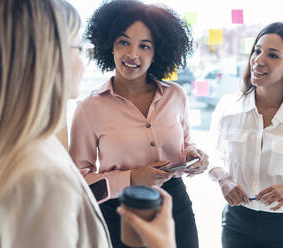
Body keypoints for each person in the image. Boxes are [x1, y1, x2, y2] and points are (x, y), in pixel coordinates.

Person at [0, 0, 176, 247]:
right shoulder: (41, 178)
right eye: (77, 48)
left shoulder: (24, 148)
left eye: (145, 46)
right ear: (48, 57)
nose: (82, 61)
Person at [69, 0, 209, 247]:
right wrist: (131, 178)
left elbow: (186, 143)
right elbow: (81, 184)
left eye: (145, 46)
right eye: (124, 42)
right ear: (109, 45)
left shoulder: (176, 95)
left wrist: (193, 157)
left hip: (175, 203)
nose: (132, 54)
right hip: (119, 212)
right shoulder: (89, 108)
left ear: (157, 53)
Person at [208, 22, 283, 248]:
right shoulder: (228, 107)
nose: (259, 60)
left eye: (273, 55)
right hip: (237, 223)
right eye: (257, 51)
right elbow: (213, 155)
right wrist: (223, 178)